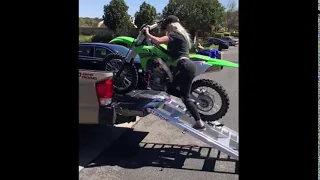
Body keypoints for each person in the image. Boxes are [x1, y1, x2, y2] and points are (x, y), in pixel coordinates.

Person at [144, 15, 206, 131]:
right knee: (170, 88)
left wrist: (147, 32)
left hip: (184, 67)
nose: (166, 30)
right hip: (186, 66)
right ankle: (188, 102)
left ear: (171, 26)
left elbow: (157, 40)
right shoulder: (181, 36)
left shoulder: (174, 35)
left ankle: (200, 123)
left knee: (185, 97)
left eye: (167, 27)